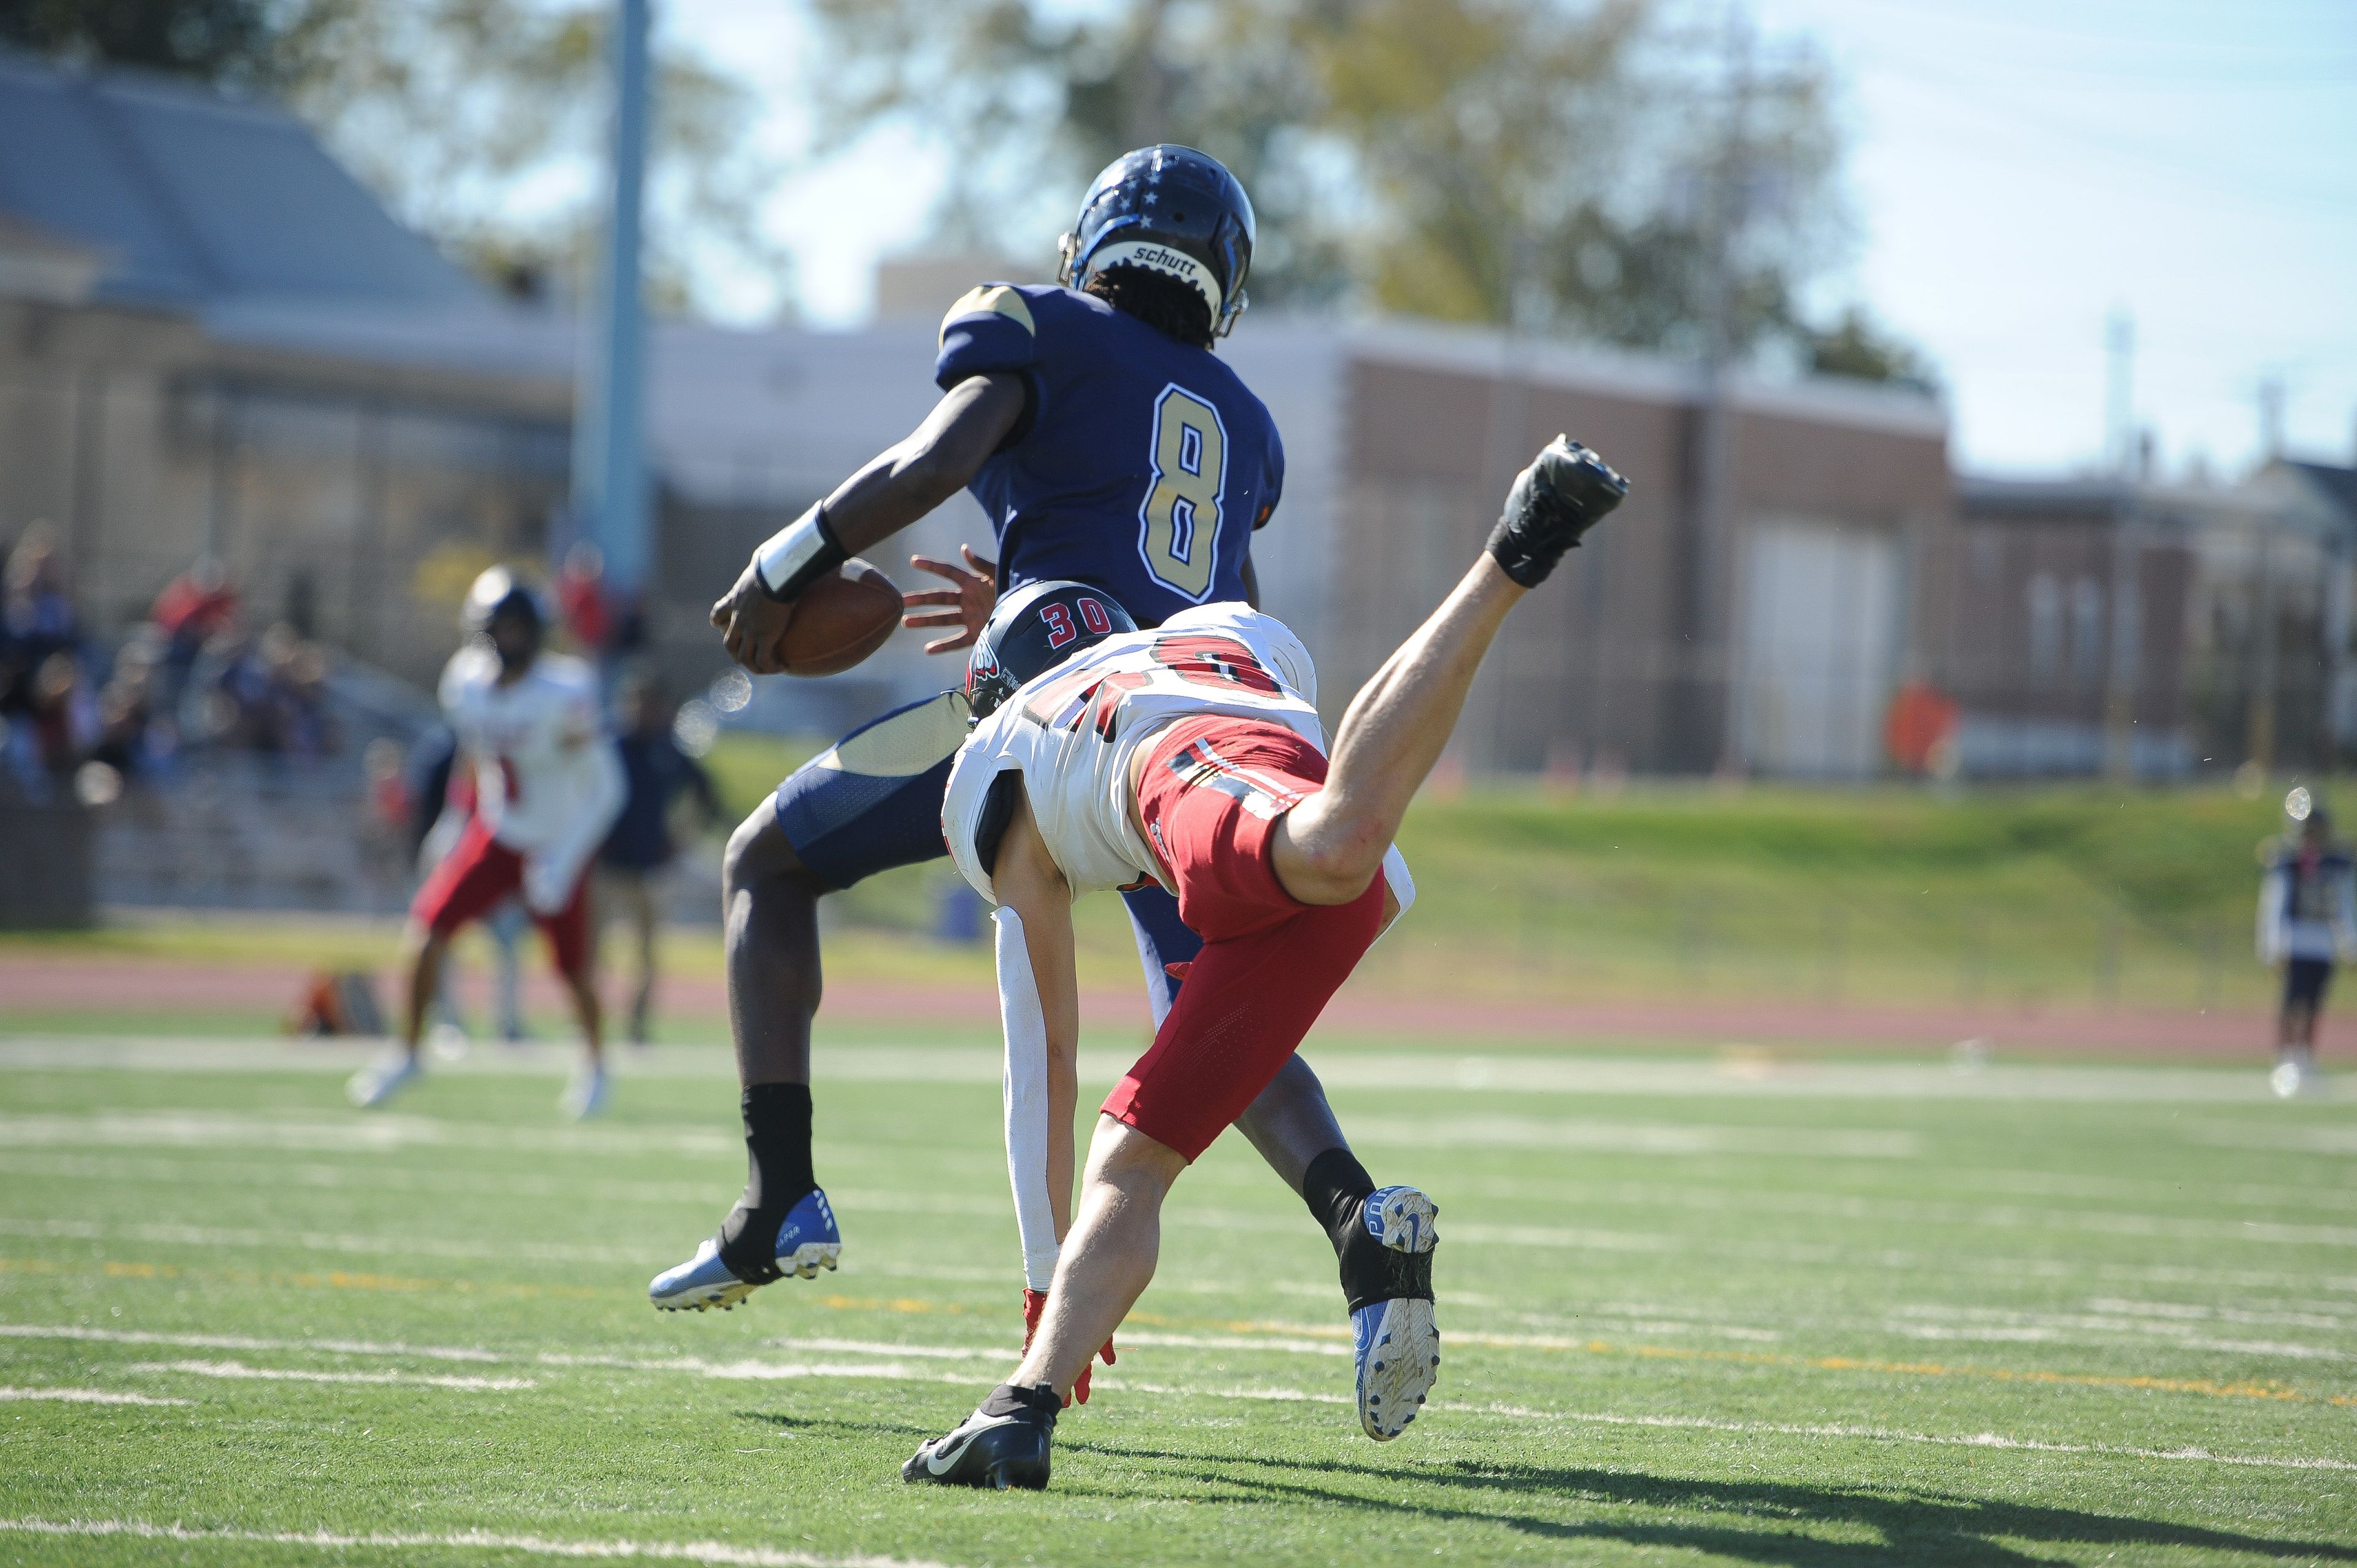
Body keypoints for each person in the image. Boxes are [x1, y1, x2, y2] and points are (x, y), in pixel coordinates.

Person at [655, 145, 1423, 1421]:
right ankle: (1359, 1226)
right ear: (1223, 279)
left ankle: (777, 1192)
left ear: (1093, 243)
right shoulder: (1246, 422)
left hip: (1046, 724)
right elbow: (1209, 604)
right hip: (1187, 727)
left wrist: (788, 558)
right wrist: (1026, 600)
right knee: (1213, 1006)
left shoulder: (1036, 323)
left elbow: (931, 460)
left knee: (767, 860)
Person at [904, 434, 1627, 1489]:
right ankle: (1022, 1406)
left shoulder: (1007, 743)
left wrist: (1039, 1265)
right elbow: (1284, 703)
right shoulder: (1216, 633)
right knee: (1136, 1142)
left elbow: (1047, 1049)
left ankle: (1514, 551)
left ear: (997, 688)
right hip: (1284, 825)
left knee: (1327, 850)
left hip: (1199, 784)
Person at [348, 568, 624, 1118]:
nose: (514, 638)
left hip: (555, 839)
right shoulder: (466, 683)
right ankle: (407, 1052)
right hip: (497, 834)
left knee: (573, 970)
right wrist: (456, 818)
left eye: (523, 627)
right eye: (504, 627)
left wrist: (565, 859)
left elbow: (609, 787)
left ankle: (596, 1066)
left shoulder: (565, 692)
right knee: (428, 927)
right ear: (482, 631)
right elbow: (478, 757)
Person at [598, 673, 721, 1044]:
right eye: (636, 703)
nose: (642, 712)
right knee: (593, 951)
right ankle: (592, 1022)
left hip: (651, 869)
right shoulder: (609, 747)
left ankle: (636, 1025)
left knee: (647, 955)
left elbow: (706, 797)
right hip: (606, 867)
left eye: (649, 704)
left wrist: (681, 839)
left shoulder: (667, 752)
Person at [2257, 797, 2356, 1097]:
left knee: (2314, 1003)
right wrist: (2271, 944)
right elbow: (2274, 903)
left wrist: (2351, 944)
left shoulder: (2336, 863)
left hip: (2323, 941)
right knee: (2292, 1002)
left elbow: (2345, 905)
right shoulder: (2287, 861)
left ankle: (2306, 1057)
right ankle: (2285, 1058)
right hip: (2295, 939)